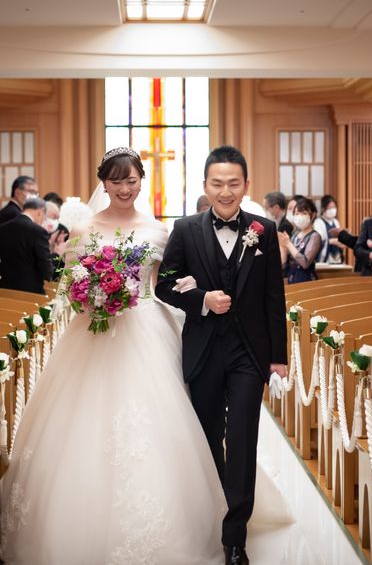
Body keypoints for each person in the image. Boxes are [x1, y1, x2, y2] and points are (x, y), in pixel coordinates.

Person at [0, 147, 226, 564]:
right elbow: (69, 285)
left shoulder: (159, 231)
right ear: (103, 183)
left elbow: (165, 284)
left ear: (141, 181)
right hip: (92, 332)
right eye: (116, 181)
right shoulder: (83, 229)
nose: (124, 188)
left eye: (131, 180)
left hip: (146, 329)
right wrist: (92, 297)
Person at [156, 145, 288, 565]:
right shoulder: (185, 229)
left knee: (243, 440)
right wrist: (201, 299)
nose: (226, 191)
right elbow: (163, 285)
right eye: (217, 183)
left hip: (249, 353)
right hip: (204, 350)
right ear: (205, 186)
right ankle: (210, 512)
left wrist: (279, 357)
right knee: (208, 438)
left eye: (233, 183)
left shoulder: (264, 230)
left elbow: (273, 297)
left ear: (246, 185)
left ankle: (235, 538)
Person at [0, 198, 62, 294]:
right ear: (40, 212)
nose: (43, 221)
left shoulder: (0, 229)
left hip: (2, 289)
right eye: (44, 217)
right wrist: (56, 254)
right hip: (30, 292)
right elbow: (47, 270)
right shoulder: (38, 231)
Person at [280, 197, 322, 284]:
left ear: (313, 215)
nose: (300, 216)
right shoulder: (295, 235)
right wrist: (283, 246)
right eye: (297, 213)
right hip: (292, 279)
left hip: (307, 281)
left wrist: (288, 244)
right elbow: (284, 264)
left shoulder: (315, 236)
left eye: (304, 213)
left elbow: (305, 263)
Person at [313, 194, 345, 264]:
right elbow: (318, 242)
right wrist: (332, 241)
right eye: (329, 208)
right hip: (325, 259)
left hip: (336, 257)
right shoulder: (318, 222)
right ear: (323, 209)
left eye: (334, 207)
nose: (332, 210)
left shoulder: (336, 222)